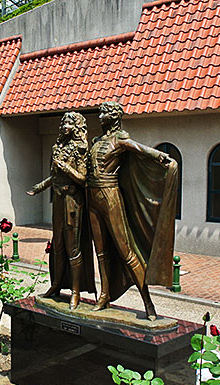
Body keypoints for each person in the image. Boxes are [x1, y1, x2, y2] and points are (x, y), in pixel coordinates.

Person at [86, 102, 178, 321]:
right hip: (92, 197)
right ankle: (104, 296)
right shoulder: (96, 142)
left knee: (126, 251)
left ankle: (148, 303)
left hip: (110, 196)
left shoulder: (120, 139)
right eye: (101, 112)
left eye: (105, 113)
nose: (100, 116)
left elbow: (139, 148)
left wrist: (161, 157)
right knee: (101, 252)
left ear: (115, 117)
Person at [27, 112, 96, 309]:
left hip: (72, 200)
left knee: (73, 247)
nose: (65, 126)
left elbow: (82, 178)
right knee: (57, 245)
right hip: (58, 200)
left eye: (70, 123)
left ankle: (75, 291)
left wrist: (65, 167)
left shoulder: (81, 148)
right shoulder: (57, 148)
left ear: (77, 127)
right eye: (64, 122)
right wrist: (40, 187)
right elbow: (54, 176)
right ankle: (56, 284)